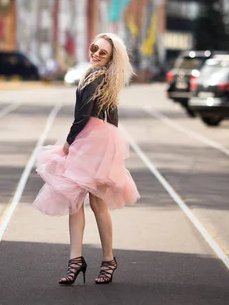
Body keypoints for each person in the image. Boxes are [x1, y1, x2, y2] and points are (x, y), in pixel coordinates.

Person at [33, 33, 140, 286]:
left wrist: (69, 142)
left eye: (103, 52)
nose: (96, 54)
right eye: (94, 48)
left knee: (88, 202)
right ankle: (86, 261)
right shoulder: (104, 78)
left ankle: (99, 260)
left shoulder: (97, 77)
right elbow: (113, 118)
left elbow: (82, 116)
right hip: (96, 141)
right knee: (85, 201)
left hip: (90, 141)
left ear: (112, 57)